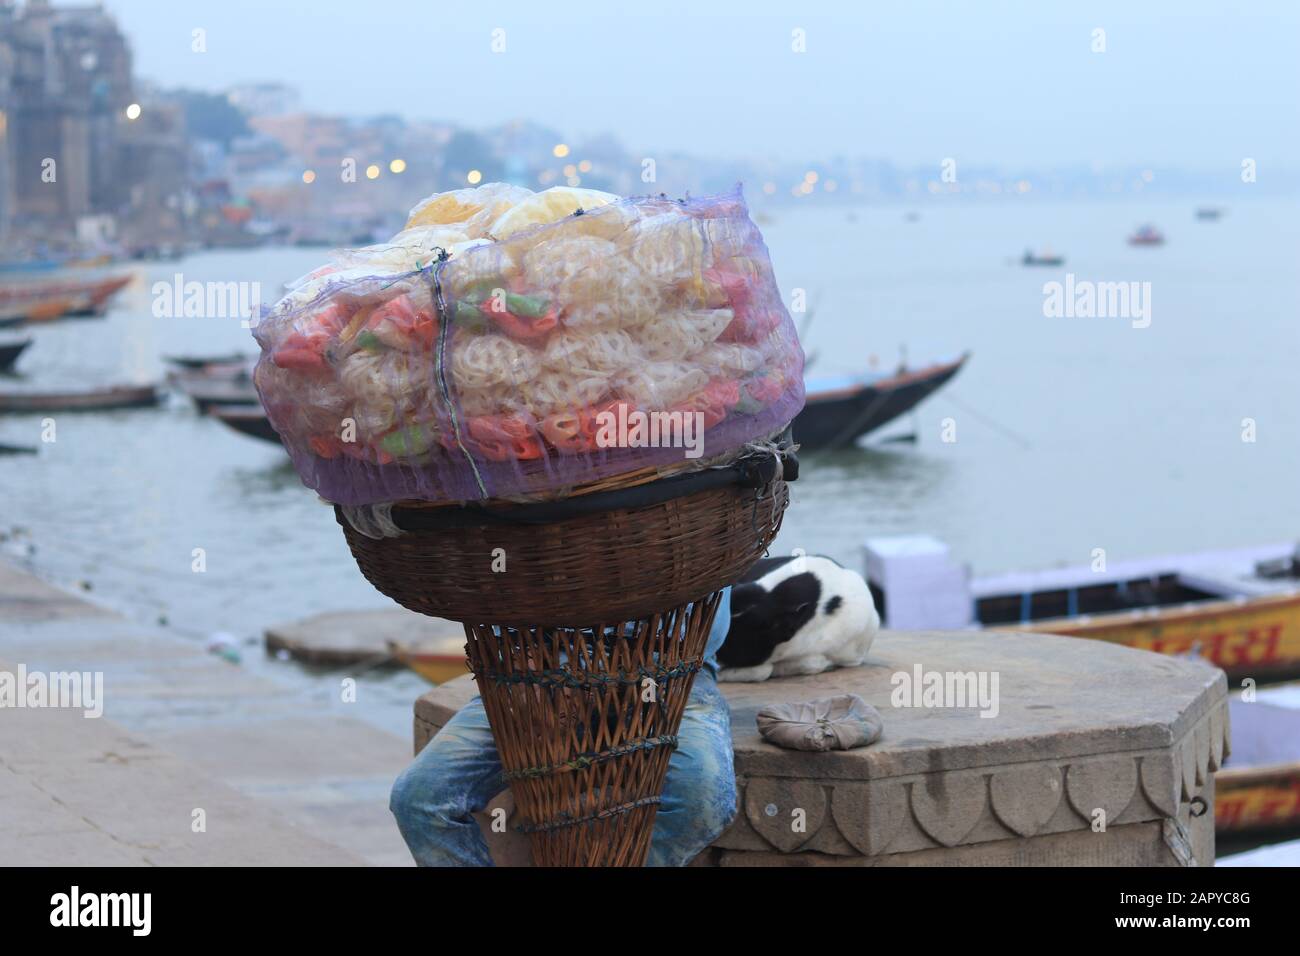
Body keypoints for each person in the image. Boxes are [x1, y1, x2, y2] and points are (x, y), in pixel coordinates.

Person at [389, 589, 736, 866]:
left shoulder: (693, 514)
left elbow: (710, 627)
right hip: (542, 668)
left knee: (705, 798)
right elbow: (490, 578)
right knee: (419, 799)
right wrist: (522, 662)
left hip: (673, 672)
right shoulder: (530, 508)